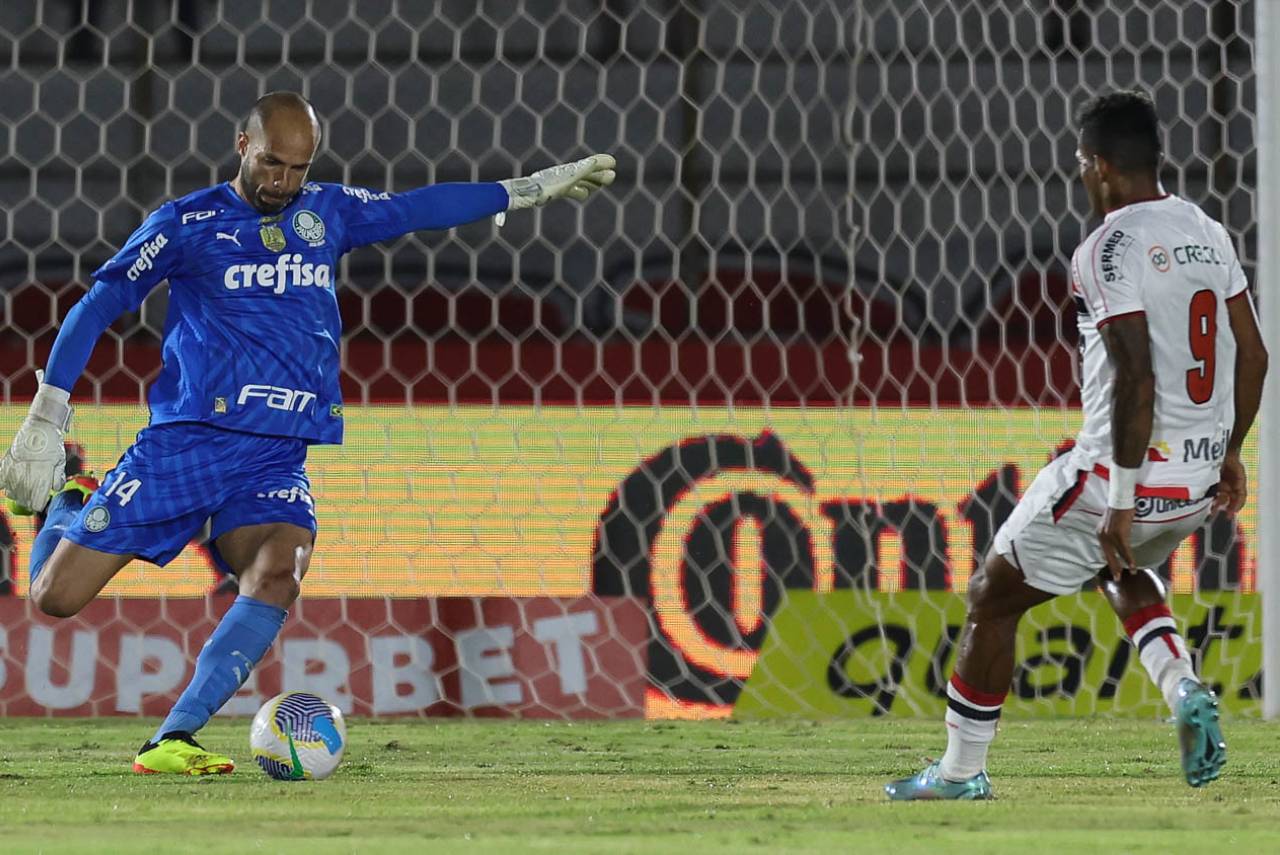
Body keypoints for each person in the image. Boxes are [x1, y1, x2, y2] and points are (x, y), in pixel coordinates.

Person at [0, 91, 615, 775]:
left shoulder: (327, 212)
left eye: (297, 168)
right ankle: (69, 501)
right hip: (189, 442)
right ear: (243, 145)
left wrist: (520, 191)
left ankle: (172, 738)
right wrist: (47, 413)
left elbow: (418, 207)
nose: (282, 181)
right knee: (54, 599)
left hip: (276, 456)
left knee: (278, 573)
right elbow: (98, 306)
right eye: (271, 163)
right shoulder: (185, 223)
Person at [886, 89, 1267, 799]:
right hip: (1195, 486)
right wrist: (1232, 452)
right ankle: (1183, 686)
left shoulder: (1105, 248)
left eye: (1082, 164)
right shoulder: (1207, 230)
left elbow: (1136, 378)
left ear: (1098, 166)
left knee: (991, 597)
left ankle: (960, 773)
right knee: (1116, 566)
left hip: (1119, 480)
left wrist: (1119, 499)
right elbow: (1255, 354)